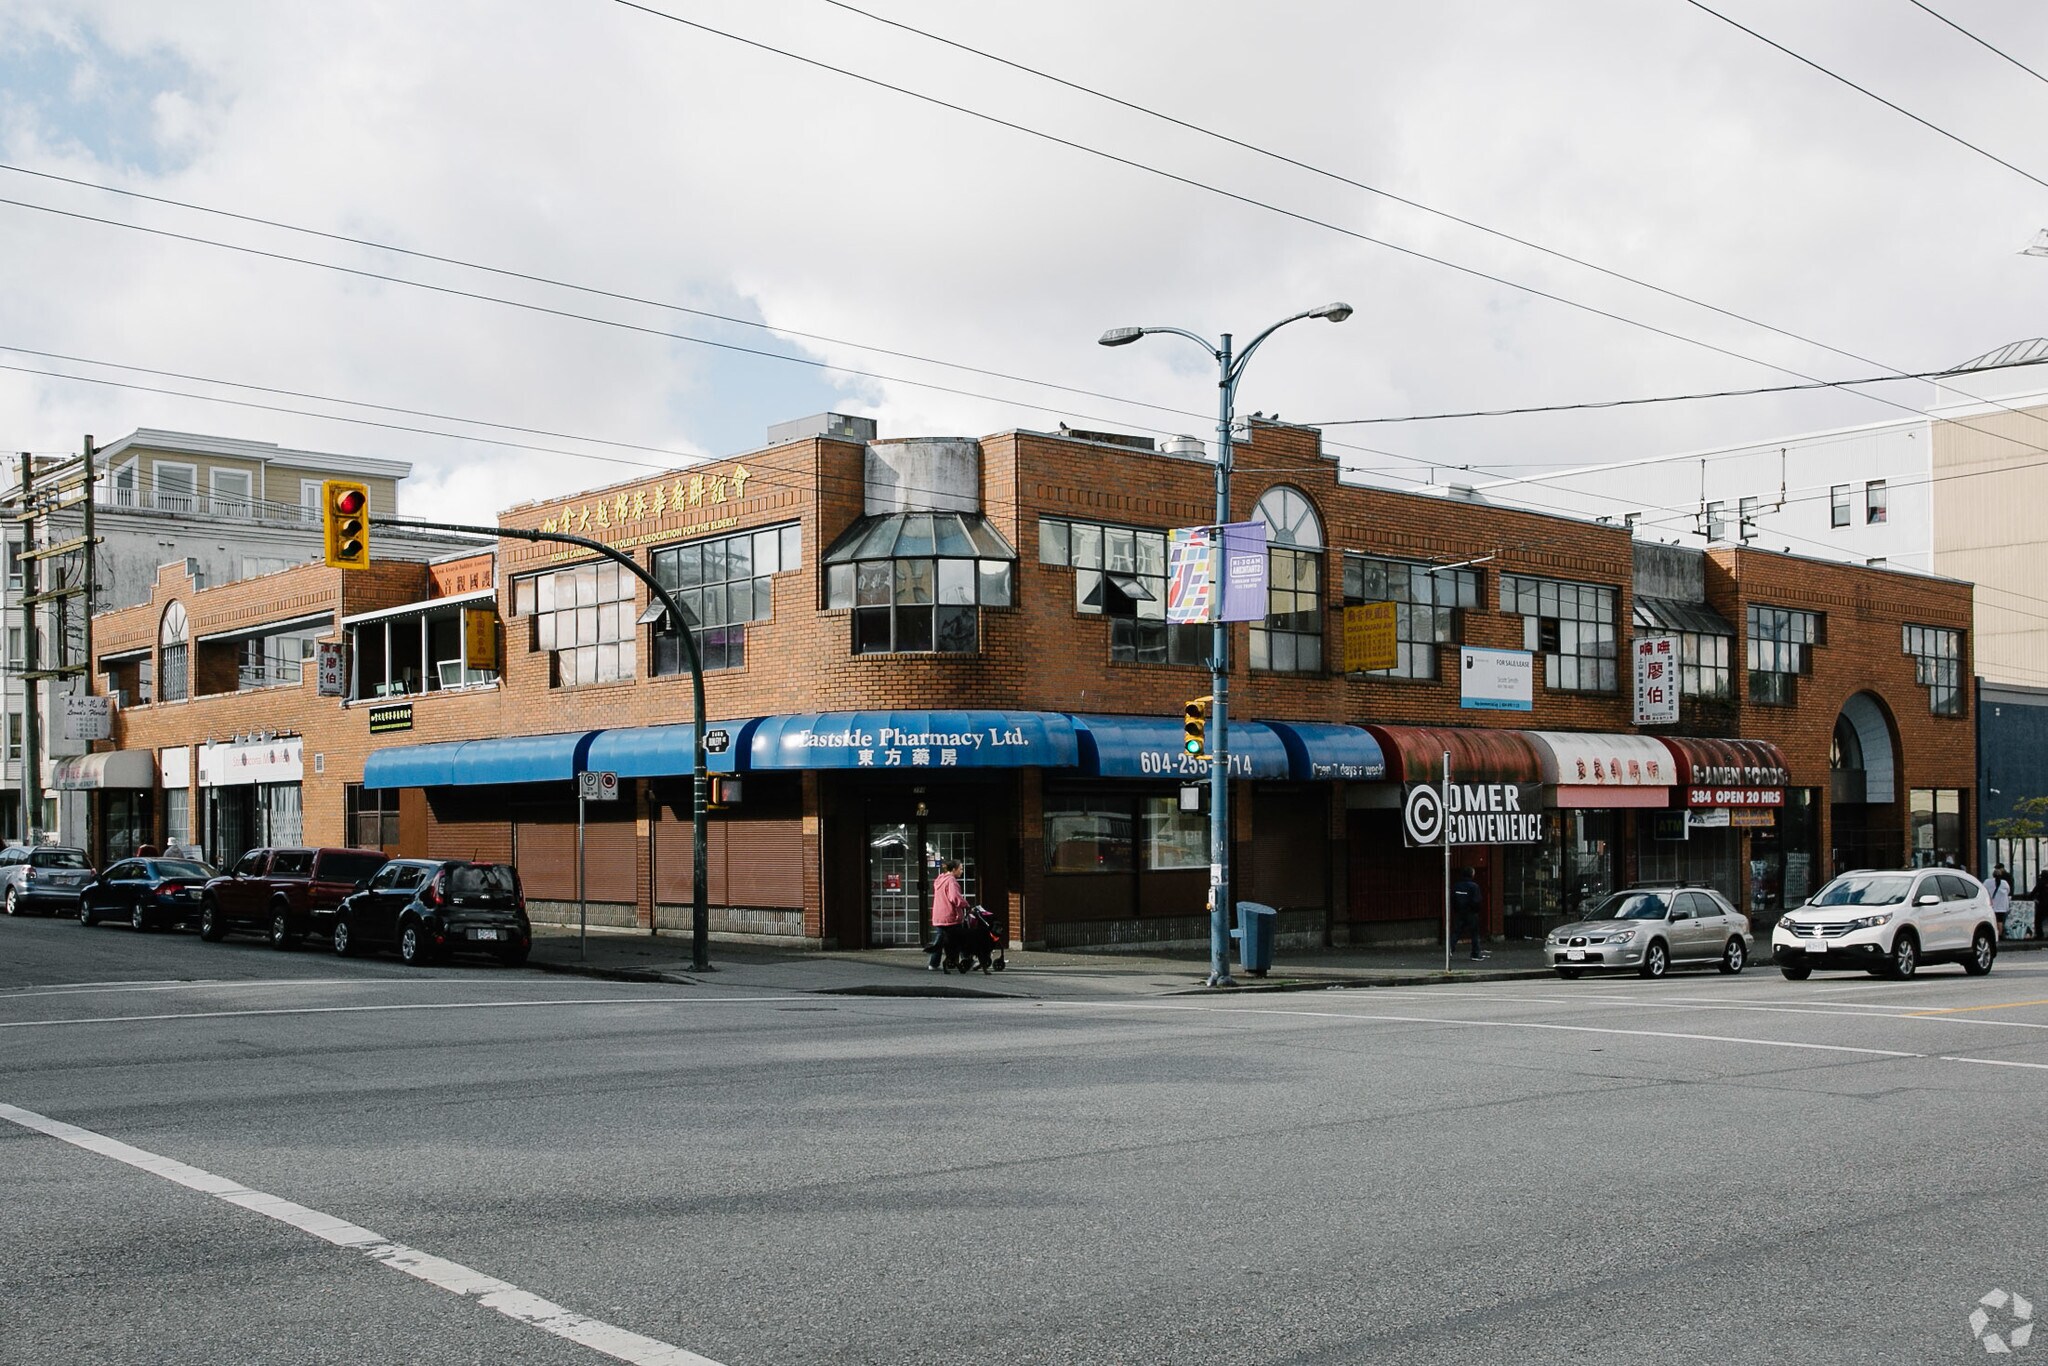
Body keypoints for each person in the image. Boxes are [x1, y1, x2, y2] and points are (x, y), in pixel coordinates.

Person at [928, 858, 968, 970]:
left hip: (939, 915)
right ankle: (967, 960)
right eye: (960, 869)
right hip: (950, 916)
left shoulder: (940, 879)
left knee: (940, 939)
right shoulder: (951, 881)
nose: (962, 871)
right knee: (961, 938)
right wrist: (965, 904)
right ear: (954, 869)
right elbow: (954, 897)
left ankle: (933, 963)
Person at [1451, 866, 1488, 961]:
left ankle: (1450, 950)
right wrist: (1475, 910)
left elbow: (1453, 899)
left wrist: (1456, 909)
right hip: (1471, 913)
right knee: (1474, 934)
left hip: (1459, 912)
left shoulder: (1457, 885)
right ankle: (1475, 954)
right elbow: (1477, 901)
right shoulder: (1474, 886)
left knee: (1456, 932)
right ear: (1471, 874)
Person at [1988, 863, 2012, 940]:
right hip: (2002, 905)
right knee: (2000, 921)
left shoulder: (1988, 882)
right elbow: (2008, 891)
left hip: (1992, 905)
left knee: (1993, 920)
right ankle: (2000, 935)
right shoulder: (2004, 883)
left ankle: (1994, 934)